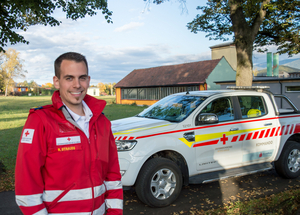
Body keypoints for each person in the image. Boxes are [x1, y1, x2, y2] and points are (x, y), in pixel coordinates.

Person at [15, 52, 123, 215]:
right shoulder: (40, 121)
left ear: (88, 80)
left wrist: (114, 212)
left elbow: (112, 175)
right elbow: (26, 185)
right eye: (69, 78)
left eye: (82, 78)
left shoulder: (102, 122)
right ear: (57, 82)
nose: (77, 85)